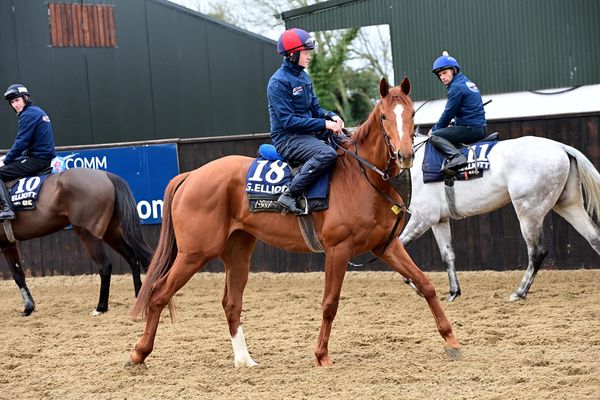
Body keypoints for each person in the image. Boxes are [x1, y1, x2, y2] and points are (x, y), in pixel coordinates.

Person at [267, 28, 345, 214]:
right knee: (327, 154)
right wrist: (324, 124)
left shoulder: (303, 76)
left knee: (345, 141)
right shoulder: (278, 82)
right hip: (288, 138)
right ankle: (290, 194)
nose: (309, 56)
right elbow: (289, 122)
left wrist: (331, 115)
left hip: (306, 134)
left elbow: (316, 110)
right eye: (306, 53)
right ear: (292, 54)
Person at [1, 84, 57, 219]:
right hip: (39, 158)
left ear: (25, 98)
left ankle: (7, 209)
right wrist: (6, 157)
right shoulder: (36, 111)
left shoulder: (28, 115)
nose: (15, 104)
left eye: (17, 100)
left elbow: (21, 143)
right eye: (12, 102)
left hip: (36, 160)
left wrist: (6, 160)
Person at [428, 51, 487, 175]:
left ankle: (457, 157)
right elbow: (466, 111)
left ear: (453, 70)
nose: (442, 77)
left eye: (444, 73)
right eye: (440, 75)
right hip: (478, 127)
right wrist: (455, 124)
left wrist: (435, 129)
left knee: (435, 136)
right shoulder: (466, 82)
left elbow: (448, 113)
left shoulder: (456, 87)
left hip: (471, 129)